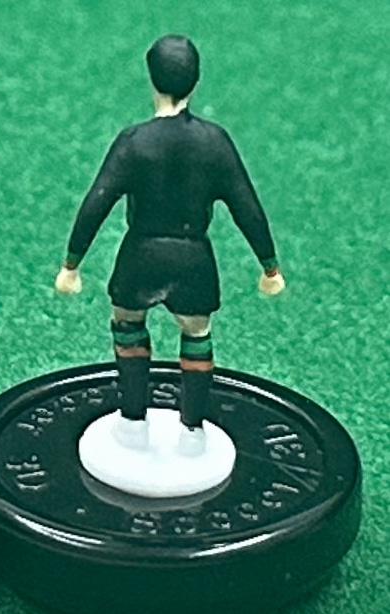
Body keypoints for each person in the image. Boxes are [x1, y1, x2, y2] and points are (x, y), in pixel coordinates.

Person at [55, 35, 285, 449]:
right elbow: (246, 206)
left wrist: (72, 263)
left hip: (140, 255)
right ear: (196, 81)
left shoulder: (134, 141)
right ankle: (192, 429)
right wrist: (270, 266)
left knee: (127, 323)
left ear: (151, 79)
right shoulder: (215, 142)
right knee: (196, 334)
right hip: (193, 259)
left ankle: (132, 421)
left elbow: (97, 201)